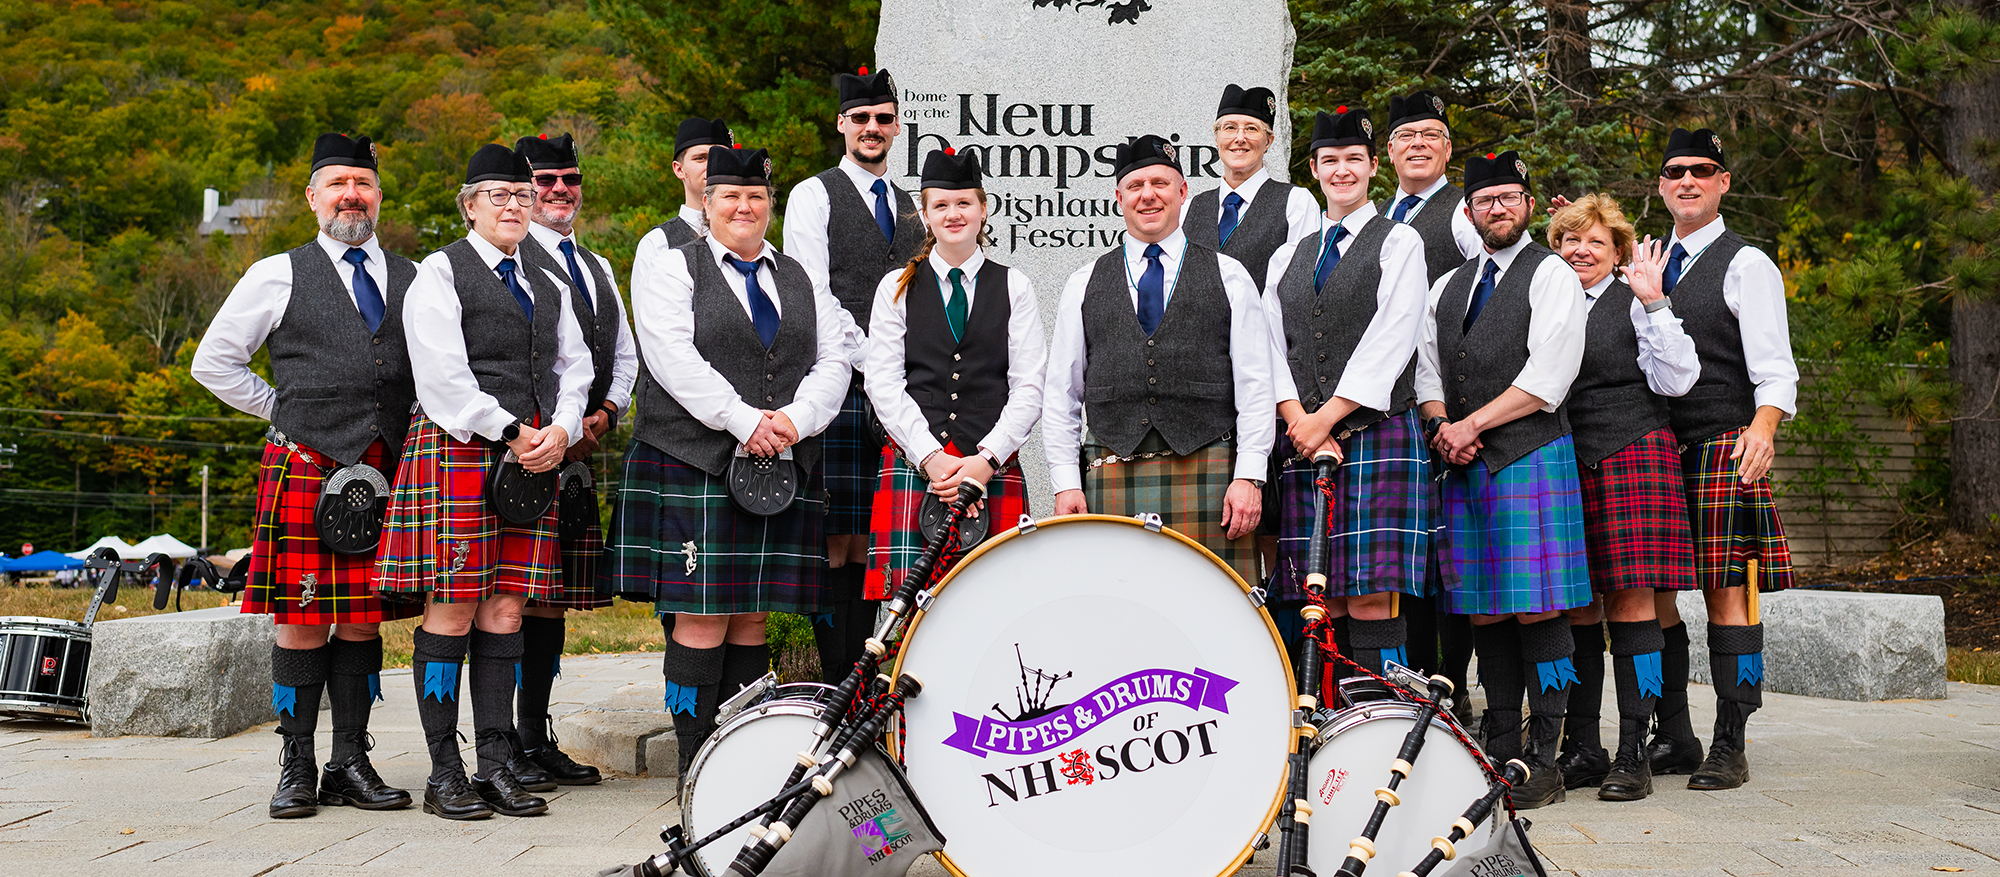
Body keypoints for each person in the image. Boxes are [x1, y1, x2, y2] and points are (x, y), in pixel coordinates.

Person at [604, 146, 856, 777]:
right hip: (696, 461)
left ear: (770, 205)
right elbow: (670, 356)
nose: (744, 207)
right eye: (729, 197)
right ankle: (694, 768)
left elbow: (833, 359)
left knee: (752, 616)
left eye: (756, 197)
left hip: (778, 460)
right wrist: (745, 422)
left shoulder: (799, 277)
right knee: (701, 617)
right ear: (708, 203)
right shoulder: (674, 268)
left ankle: (738, 766)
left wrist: (796, 421)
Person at [191, 133, 419, 819]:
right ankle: (296, 764)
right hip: (307, 466)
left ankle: (350, 760)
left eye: (364, 183)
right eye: (339, 182)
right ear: (313, 197)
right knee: (300, 619)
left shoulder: (413, 277)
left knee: (361, 620)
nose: (353, 194)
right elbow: (214, 361)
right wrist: (280, 409)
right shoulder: (277, 272)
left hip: (385, 468)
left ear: (379, 195)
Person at [376, 143, 593, 820]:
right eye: (497, 195)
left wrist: (561, 429)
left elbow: (574, 366)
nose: (513, 206)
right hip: (463, 452)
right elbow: (441, 375)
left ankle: (496, 764)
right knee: (453, 607)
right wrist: (511, 430)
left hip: (531, 457)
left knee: (506, 609)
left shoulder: (546, 282)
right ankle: (446, 773)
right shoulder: (440, 272)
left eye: (522, 195)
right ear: (469, 205)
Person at [1416, 151, 1588, 809]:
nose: (1499, 208)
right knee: (1487, 607)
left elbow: (1549, 376)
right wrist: (1440, 424)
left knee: (1539, 607)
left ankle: (1545, 759)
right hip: (1464, 464)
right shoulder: (1447, 286)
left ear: (1526, 203)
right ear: (1469, 212)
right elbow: (1427, 371)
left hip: (1530, 453)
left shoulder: (1553, 277)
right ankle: (1501, 745)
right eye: (1487, 199)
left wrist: (1470, 425)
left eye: (1511, 196)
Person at [1044, 135, 1274, 584]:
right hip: (1112, 470)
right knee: (1116, 606)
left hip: (1211, 473)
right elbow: (1062, 393)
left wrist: (1250, 475)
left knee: (1216, 610)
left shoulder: (1230, 275)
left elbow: (1256, 386)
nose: (1148, 195)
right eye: (1135, 186)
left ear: (1183, 191)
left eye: (1160, 183)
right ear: (1118, 198)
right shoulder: (1083, 281)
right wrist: (1065, 481)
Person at [1648, 127, 1799, 792]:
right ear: (1661, 185)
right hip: (1652, 448)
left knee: (1726, 596)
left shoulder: (1747, 264)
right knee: (1649, 597)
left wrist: (1763, 428)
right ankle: (1673, 732)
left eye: (1702, 170)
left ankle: (1731, 741)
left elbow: (1776, 368)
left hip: (1720, 444)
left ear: (1723, 182)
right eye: (1676, 170)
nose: (1688, 180)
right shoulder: (1648, 261)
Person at [1260, 107, 1433, 672]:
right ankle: (1332, 721)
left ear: (1372, 165)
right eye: (1330, 161)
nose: (1342, 171)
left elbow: (1394, 336)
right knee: (1321, 594)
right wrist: (1296, 419)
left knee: (1371, 593)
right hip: (1304, 435)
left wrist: (1323, 419)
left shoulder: (1398, 241)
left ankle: (1386, 714)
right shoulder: (1288, 254)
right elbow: (1271, 344)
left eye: (1353, 160)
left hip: (1375, 429)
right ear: (1313, 168)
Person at [1545, 195, 1700, 802]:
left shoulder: (1638, 302)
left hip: (1634, 453)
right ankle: (1584, 747)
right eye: (1568, 240)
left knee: (1632, 605)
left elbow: (1679, 379)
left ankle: (1635, 748)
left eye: (1595, 243)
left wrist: (1656, 303)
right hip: (1563, 461)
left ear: (1618, 253)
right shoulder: (1546, 298)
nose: (1580, 251)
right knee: (1578, 607)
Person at [782, 67, 923, 683]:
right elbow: (812, 292)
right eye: (861, 118)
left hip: (905, 393)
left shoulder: (914, 203)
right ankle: (838, 681)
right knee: (837, 538)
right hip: (844, 385)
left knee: (886, 538)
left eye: (883, 118)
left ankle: (875, 681)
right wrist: (876, 360)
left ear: (896, 126)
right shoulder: (812, 195)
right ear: (842, 123)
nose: (872, 128)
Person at [512, 131, 640, 787]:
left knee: (551, 601)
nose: (560, 190)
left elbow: (624, 358)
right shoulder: (504, 256)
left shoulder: (596, 266)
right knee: (512, 598)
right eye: (545, 180)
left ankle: (536, 737)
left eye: (569, 178)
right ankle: (503, 743)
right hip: (520, 453)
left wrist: (606, 414)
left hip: (578, 452)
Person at [863, 149, 1046, 598]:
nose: (953, 214)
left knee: (997, 609)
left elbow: (1029, 387)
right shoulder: (896, 286)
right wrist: (931, 457)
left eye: (964, 203)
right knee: (905, 620)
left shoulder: (1015, 285)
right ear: (925, 215)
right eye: (941, 205)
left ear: (984, 209)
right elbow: (882, 382)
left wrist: (986, 461)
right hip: (915, 464)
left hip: (991, 469)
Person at [1379, 90, 1484, 719]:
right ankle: (1409, 685)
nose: (1418, 143)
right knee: (1406, 559)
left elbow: (1490, 298)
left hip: (1446, 409)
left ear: (1447, 148)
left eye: (1430, 134)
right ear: (1388, 151)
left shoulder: (1460, 215)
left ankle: (1452, 688)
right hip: (1386, 410)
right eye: (1406, 135)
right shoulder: (1375, 217)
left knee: (1447, 561)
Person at [1181, 84, 1319, 292]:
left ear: (1268, 141)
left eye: (1251, 129)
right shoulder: (1188, 209)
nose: (1239, 138)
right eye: (1230, 128)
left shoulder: (1296, 203)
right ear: (1217, 139)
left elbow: (1299, 288)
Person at [660, 117, 734, 248]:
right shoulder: (659, 244)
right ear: (679, 169)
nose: (713, 165)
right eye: (701, 158)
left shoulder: (757, 245)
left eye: (721, 157)